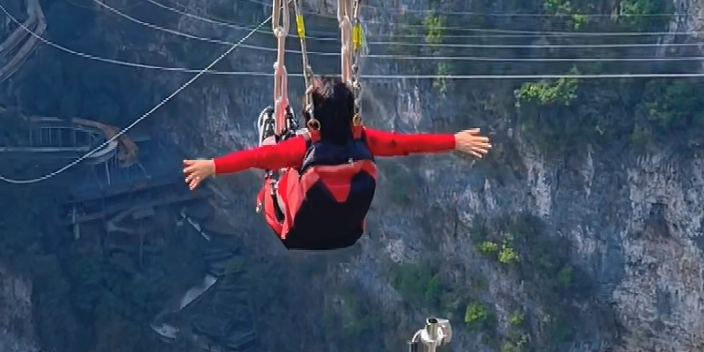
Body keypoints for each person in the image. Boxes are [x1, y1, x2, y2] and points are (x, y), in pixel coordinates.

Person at [183, 77, 491, 251]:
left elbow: (253, 158)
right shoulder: (363, 142)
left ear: (314, 120)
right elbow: (405, 144)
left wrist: (212, 165)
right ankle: (280, 149)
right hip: (347, 234)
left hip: (295, 234)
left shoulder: (303, 148)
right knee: (288, 163)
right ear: (351, 116)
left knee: (272, 170)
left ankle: (274, 156)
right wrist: (454, 141)